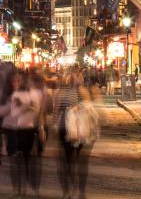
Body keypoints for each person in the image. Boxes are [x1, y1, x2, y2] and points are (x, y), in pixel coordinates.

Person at [0, 69, 41, 197]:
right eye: (13, 80)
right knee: (13, 160)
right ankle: (16, 189)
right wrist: (11, 103)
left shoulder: (30, 92)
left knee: (27, 159)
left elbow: (36, 109)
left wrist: (25, 106)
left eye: (18, 80)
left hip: (26, 128)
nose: (16, 83)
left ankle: (28, 187)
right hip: (10, 128)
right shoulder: (4, 94)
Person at [53, 70, 97, 199]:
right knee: (74, 161)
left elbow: (56, 112)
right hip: (70, 129)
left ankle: (72, 191)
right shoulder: (71, 92)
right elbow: (57, 111)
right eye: (77, 77)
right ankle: (73, 191)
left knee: (71, 161)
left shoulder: (71, 92)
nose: (79, 79)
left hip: (78, 130)